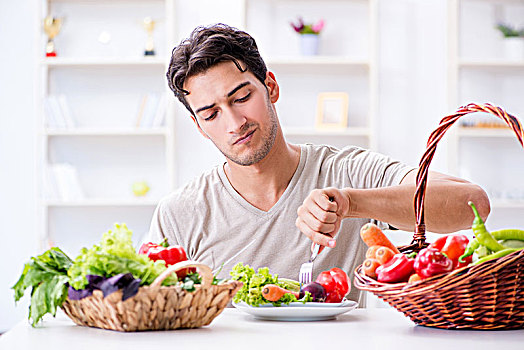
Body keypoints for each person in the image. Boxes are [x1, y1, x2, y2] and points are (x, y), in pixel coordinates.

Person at [147, 23, 490, 303]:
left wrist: (353, 202)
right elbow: (149, 310)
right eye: (211, 114)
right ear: (199, 127)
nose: (234, 123)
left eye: (242, 97)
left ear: (270, 86)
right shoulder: (180, 213)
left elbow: (474, 204)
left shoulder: (348, 171)